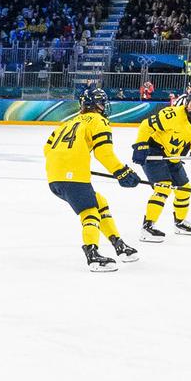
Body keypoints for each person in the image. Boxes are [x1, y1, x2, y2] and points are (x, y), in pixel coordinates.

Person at [42, 84, 140, 272]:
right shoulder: (98, 121)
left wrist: (69, 164)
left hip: (54, 176)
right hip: (72, 176)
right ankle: (93, 255)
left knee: (99, 202)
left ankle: (118, 244)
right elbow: (103, 153)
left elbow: (47, 149)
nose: (104, 106)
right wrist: (122, 172)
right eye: (102, 103)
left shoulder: (68, 122)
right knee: (89, 212)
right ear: (97, 104)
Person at [133, 88, 191, 238]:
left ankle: (180, 222)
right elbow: (146, 125)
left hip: (172, 156)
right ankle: (147, 226)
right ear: (187, 103)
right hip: (153, 151)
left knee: (184, 189)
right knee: (164, 186)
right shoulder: (172, 115)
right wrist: (140, 145)